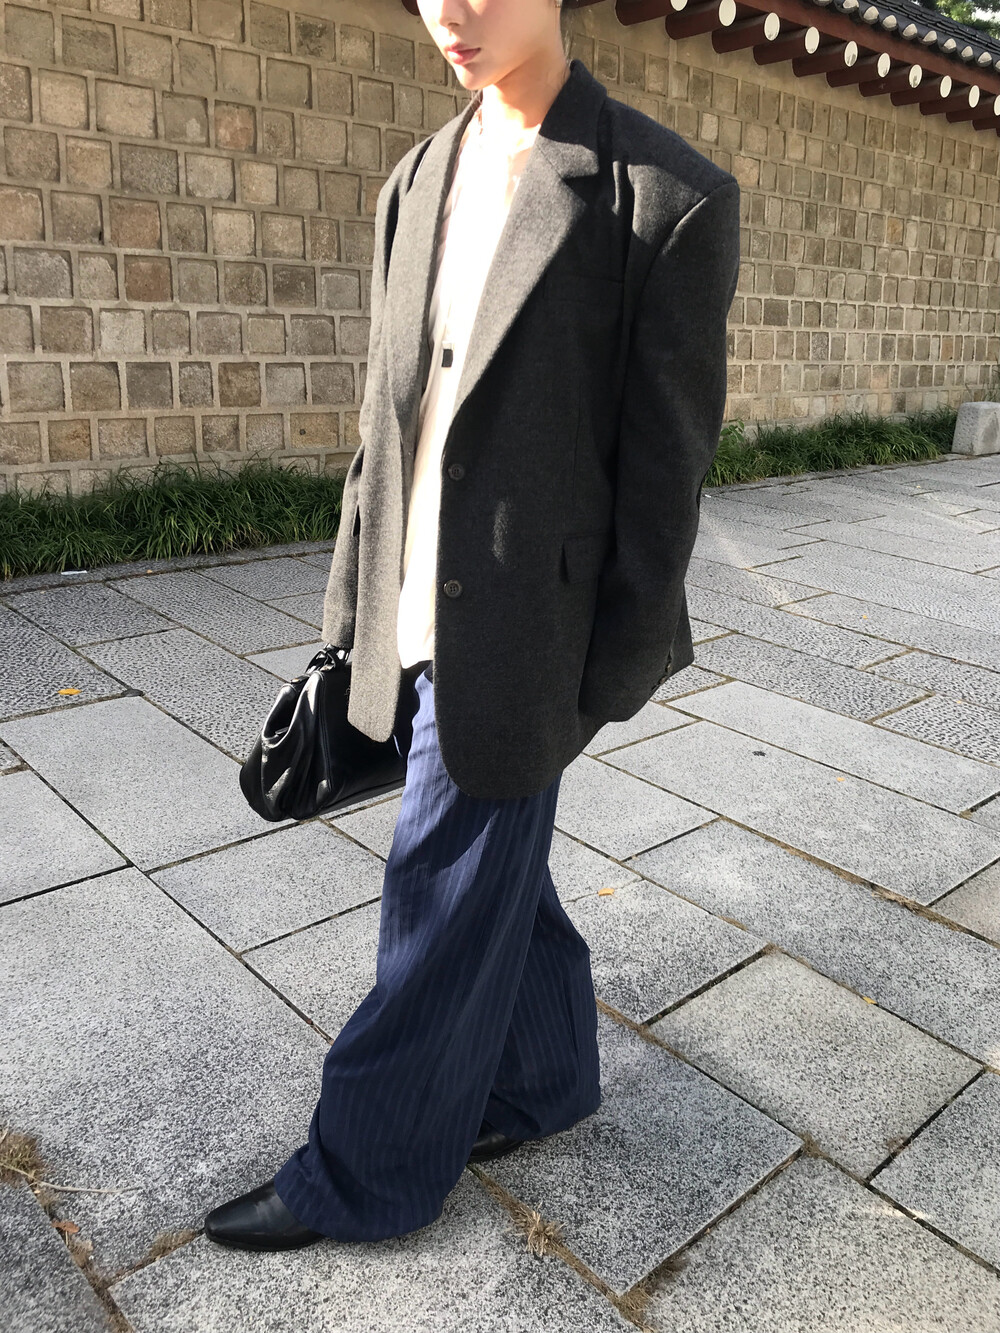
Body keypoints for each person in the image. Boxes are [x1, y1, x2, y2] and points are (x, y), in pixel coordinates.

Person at [204, 0, 740, 1250]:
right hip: (406, 606)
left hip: (531, 632)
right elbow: (384, 423)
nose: (452, 9)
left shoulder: (661, 197)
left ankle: (361, 1174)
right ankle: (546, 1076)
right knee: (498, 860)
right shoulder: (415, 178)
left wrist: (608, 671)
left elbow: (668, 466)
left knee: (438, 891)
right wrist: (351, 612)